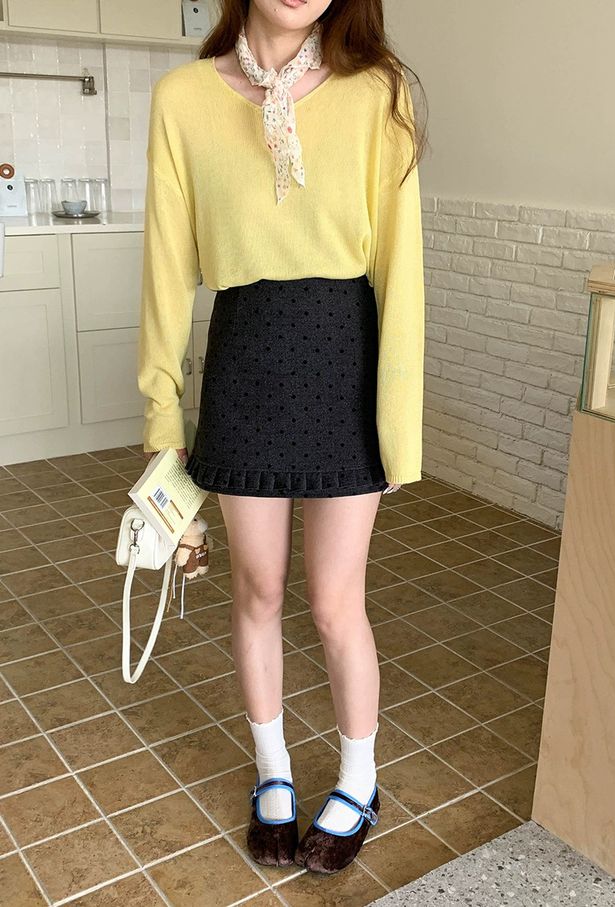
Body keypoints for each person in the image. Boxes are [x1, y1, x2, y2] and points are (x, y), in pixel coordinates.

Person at [138, 0, 426, 875]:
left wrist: (397, 425)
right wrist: (162, 418)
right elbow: (165, 270)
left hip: (345, 360)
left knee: (335, 602)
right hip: (245, 362)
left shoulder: (378, 92)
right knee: (257, 588)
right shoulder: (183, 98)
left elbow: (401, 267)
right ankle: (273, 770)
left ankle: (360, 778)